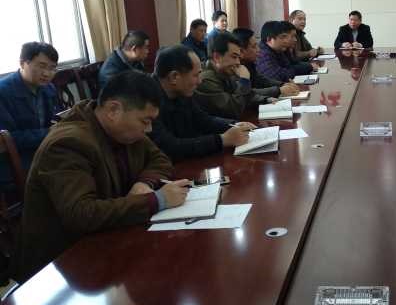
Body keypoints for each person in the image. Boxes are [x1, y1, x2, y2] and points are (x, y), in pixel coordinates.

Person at [13, 70, 190, 282]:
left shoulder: (124, 130)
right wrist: (156, 200)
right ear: (114, 110)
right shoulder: (68, 144)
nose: (149, 129)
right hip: (61, 265)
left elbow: (160, 159)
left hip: (109, 237)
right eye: (145, 121)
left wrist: (144, 183)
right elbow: (81, 214)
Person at [149, 46, 254, 162]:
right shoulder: (146, 101)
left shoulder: (181, 92)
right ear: (174, 77)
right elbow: (170, 147)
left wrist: (233, 125)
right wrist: (222, 140)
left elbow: (203, 119)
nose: (199, 81)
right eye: (196, 75)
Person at [0, 42, 60, 183]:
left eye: (52, 68)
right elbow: (7, 140)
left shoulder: (48, 88)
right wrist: (49, 133)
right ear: (22, 63)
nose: (47, 73)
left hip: (42, 149)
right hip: (13, 160)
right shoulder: (3, 92)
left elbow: (54, 119)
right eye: (41, 66)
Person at [195, 31, 272, 119]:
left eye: (238, 58)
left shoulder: (225, 71)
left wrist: (266, 99)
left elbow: (245, 95)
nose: (238, 62)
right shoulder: (205, 79)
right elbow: (233, 110)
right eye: (234, 57)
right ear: (217, 57)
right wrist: (244, 80)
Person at [233, 27, 299, 99]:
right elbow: (247, 94)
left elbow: (261, 80)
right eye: (254, 47)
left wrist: (283, 85)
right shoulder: (233, 67)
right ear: (241, 51)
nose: (258, 50)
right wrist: (279, 90)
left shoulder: (249, 62)